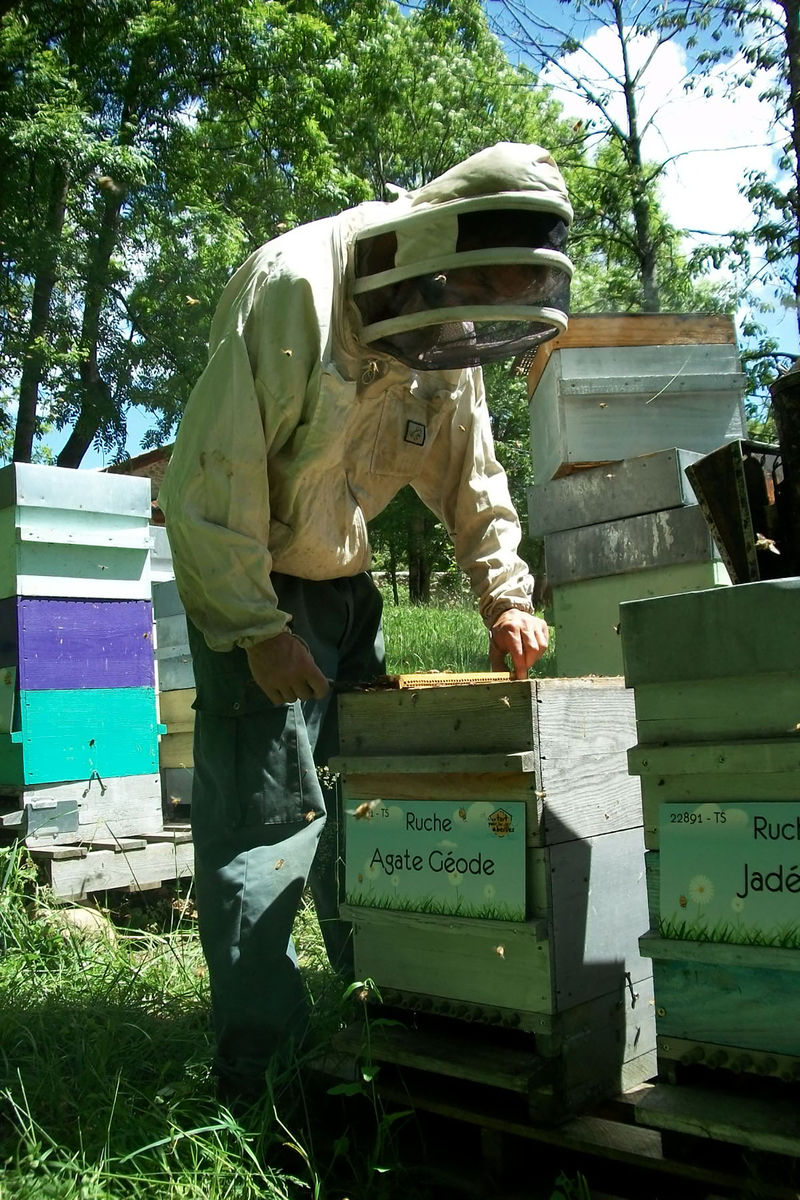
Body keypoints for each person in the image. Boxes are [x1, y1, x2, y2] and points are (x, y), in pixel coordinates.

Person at [158, 141, 573, 1098]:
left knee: (368, 809)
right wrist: (255, 629)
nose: (474, 319)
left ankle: (386, 1010)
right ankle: (264, 1076)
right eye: (484, 285)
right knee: (269, 826)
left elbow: (473, 478)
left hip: (348, 591)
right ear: (441, 246)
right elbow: (210, 481)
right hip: (254, 584)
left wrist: (507, 598)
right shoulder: (297, 285)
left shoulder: (450, 325)